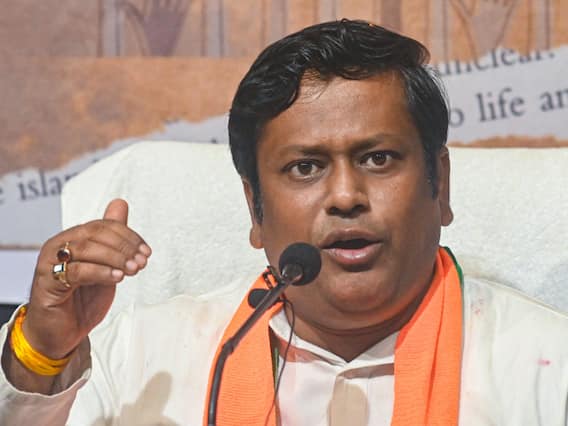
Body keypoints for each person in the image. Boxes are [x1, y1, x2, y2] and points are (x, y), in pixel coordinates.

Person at [1, 19, 567, 426]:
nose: (345, 196)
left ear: (438, 184)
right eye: (305, 167)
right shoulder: (142, 356)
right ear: (255, 209)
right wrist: (41, 356)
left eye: (378, 159)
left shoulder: (548, 365)